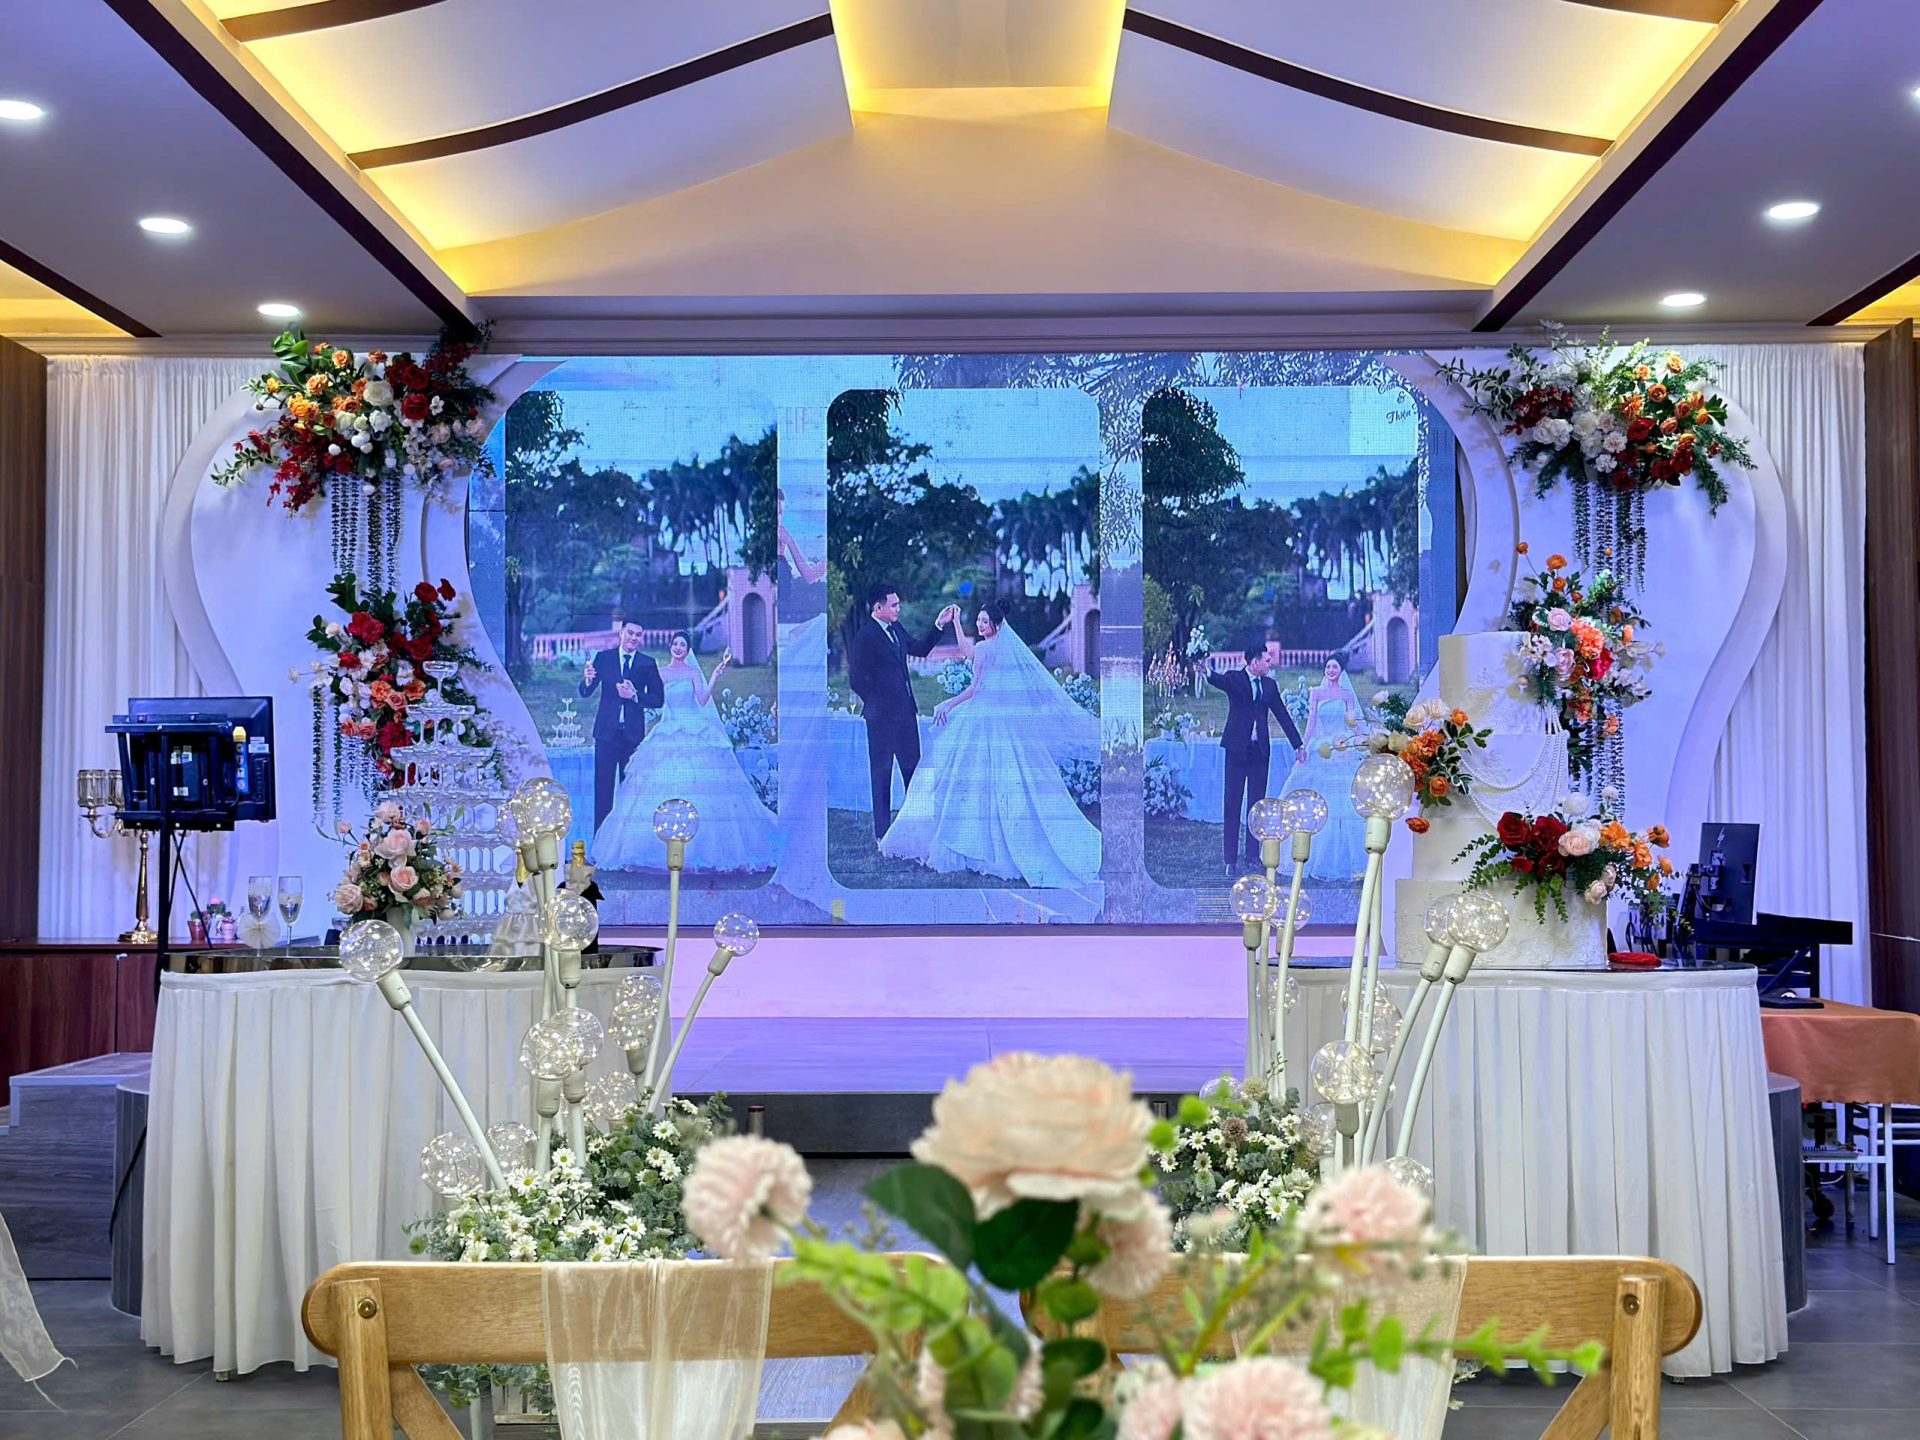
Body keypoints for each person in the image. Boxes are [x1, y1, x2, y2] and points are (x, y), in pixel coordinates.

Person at [880, 603, 1100, 888]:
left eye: (984, 622)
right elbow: (969, 653)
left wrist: (948, 703)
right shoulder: (1002, 649)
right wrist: (956, 622)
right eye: (979, 621)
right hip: (1004, 720)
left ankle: (972, 842)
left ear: (997, 625)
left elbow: (974, 688)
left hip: (983, 717)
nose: (980, 625)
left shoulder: (986, 649)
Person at [593, 633, 775, 872]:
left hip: (693, 728)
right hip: (668, 730)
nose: (678, 648)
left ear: (688, 650)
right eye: (675, 644)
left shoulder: (692, 672)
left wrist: (714, 676)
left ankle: (703, 849)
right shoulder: (661, 673)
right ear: (670, 647)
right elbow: (654, 700)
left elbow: (702, 699)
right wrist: (632, 693)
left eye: (683, 645)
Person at [847, 582, 952, 839]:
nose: (898, 609)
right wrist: (877, 704)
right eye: (894, 605)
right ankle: (882, 835)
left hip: (906, 716)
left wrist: (939, 625)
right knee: (881, 776)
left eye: (898, 604)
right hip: (881, 720)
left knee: (914, 774)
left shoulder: (896, 629)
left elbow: (920, 649)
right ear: (878, 607)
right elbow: (856, 679)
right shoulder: (865, 637)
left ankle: (918, 831)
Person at [1208, 644, 1305, 874]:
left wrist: (1298, 745)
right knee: (1232, 802)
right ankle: (1230, 860)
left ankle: (1252, 856)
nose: (1270, 663)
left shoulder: (1269, 685)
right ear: (1254, 662)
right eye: (1266, 660)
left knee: (1256, 805)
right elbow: (1218, 680)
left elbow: (1282, 714)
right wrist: (1206, 672)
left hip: (1259, 752)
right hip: (1236, 750)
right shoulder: (1235, 678)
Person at [1276, 657, 1370, 880]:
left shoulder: (1347, 695)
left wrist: (1363, 739)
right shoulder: (1316, 693)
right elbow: (1311, 722)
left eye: (1334, 667)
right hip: (1321, 748)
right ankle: (1306, 854)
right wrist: (1303, 746)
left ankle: (1345, 860)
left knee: (1343, 801)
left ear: (1341, 670)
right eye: (1328, 666)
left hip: (1341, 748)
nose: (1330, 670)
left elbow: (1352, 722)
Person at [579, 620, 664, 829]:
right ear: (621, 633)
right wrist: (587, 680)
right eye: (630, 633)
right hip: (606, 735)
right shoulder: (604, 658)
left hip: (632, 736)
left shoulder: (647, 663)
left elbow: (658, 699)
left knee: (630, 791)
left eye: (638, 635)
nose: (634, 638)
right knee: (603, 789)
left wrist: (635, 696)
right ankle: (600, 840)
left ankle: (626, 840)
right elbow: (586, 692)